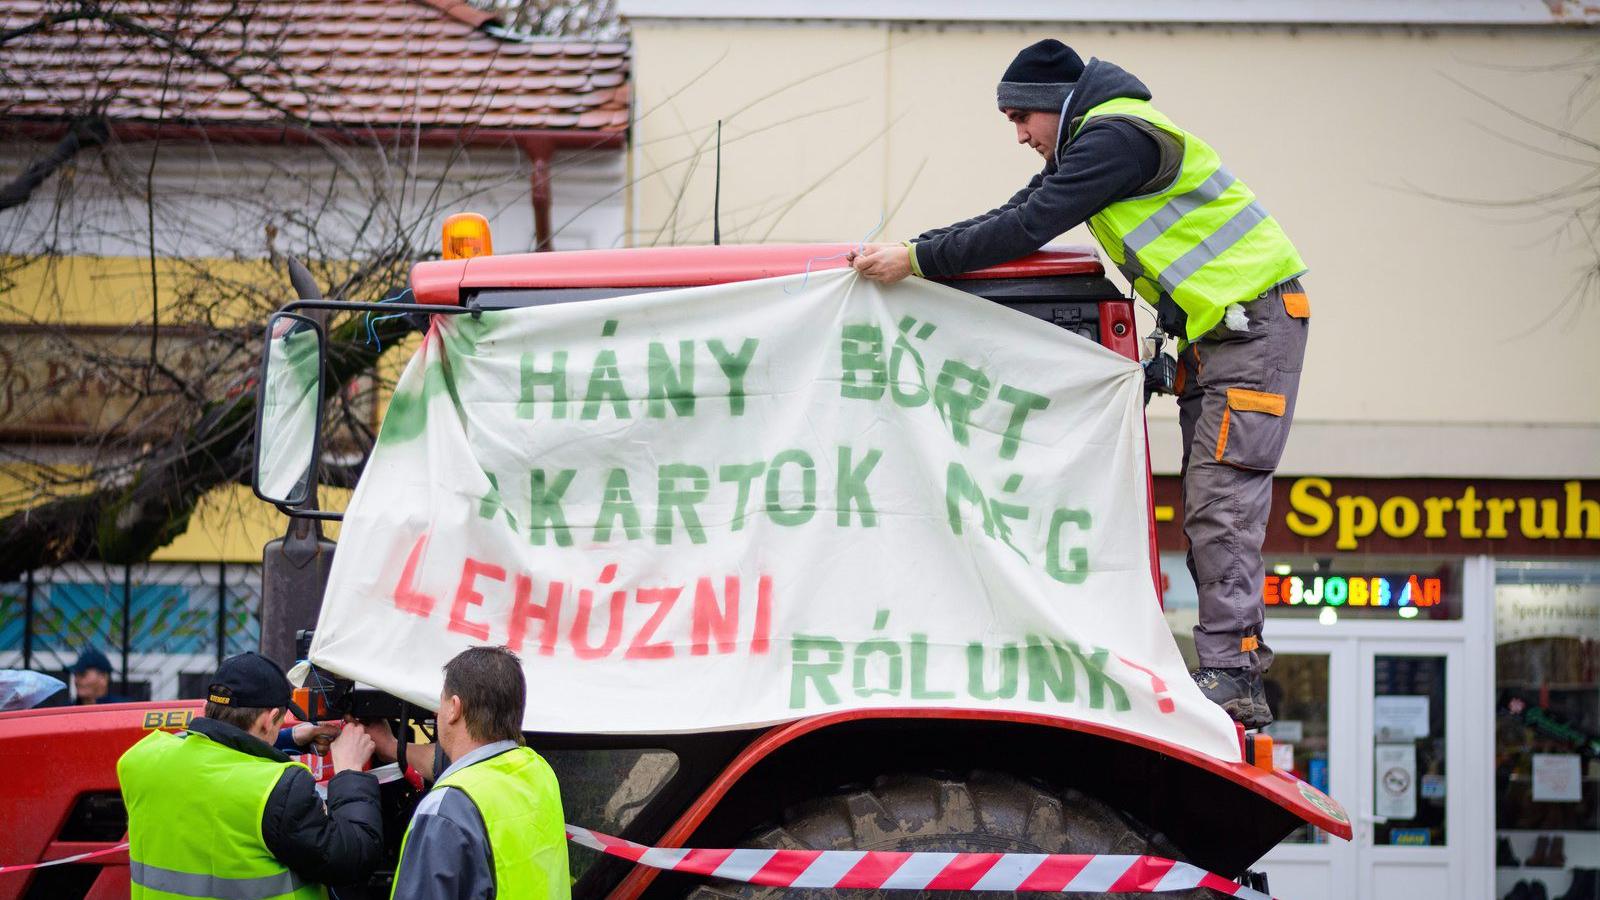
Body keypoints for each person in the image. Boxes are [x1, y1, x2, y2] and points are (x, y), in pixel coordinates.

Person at [850, 39, 1308, 729]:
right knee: (1208, 505)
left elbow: (1027, 225)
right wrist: (912, 251)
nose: (1019, 135)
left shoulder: (1117, 139)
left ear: (1053, 106)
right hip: (1226, 334)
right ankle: (1225, 668)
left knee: (1221, 505)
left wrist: (915, 260)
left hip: (1251, 331)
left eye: (1019, 118)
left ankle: (1234, 677)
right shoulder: (1096, 145)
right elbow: (1008, 217)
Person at [117, 652, 383, 898]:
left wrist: (289, 737)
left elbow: (202, 746)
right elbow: (353, 859)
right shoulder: (278, 790)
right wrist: (350, 770)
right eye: (279, 725)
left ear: (208, 707)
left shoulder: (140, 760)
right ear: (269, 719)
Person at [386, 646, 569, 900]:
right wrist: (389, 745)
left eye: (440, 702)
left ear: (454, 708)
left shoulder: (446, 810)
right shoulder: (539, 772)